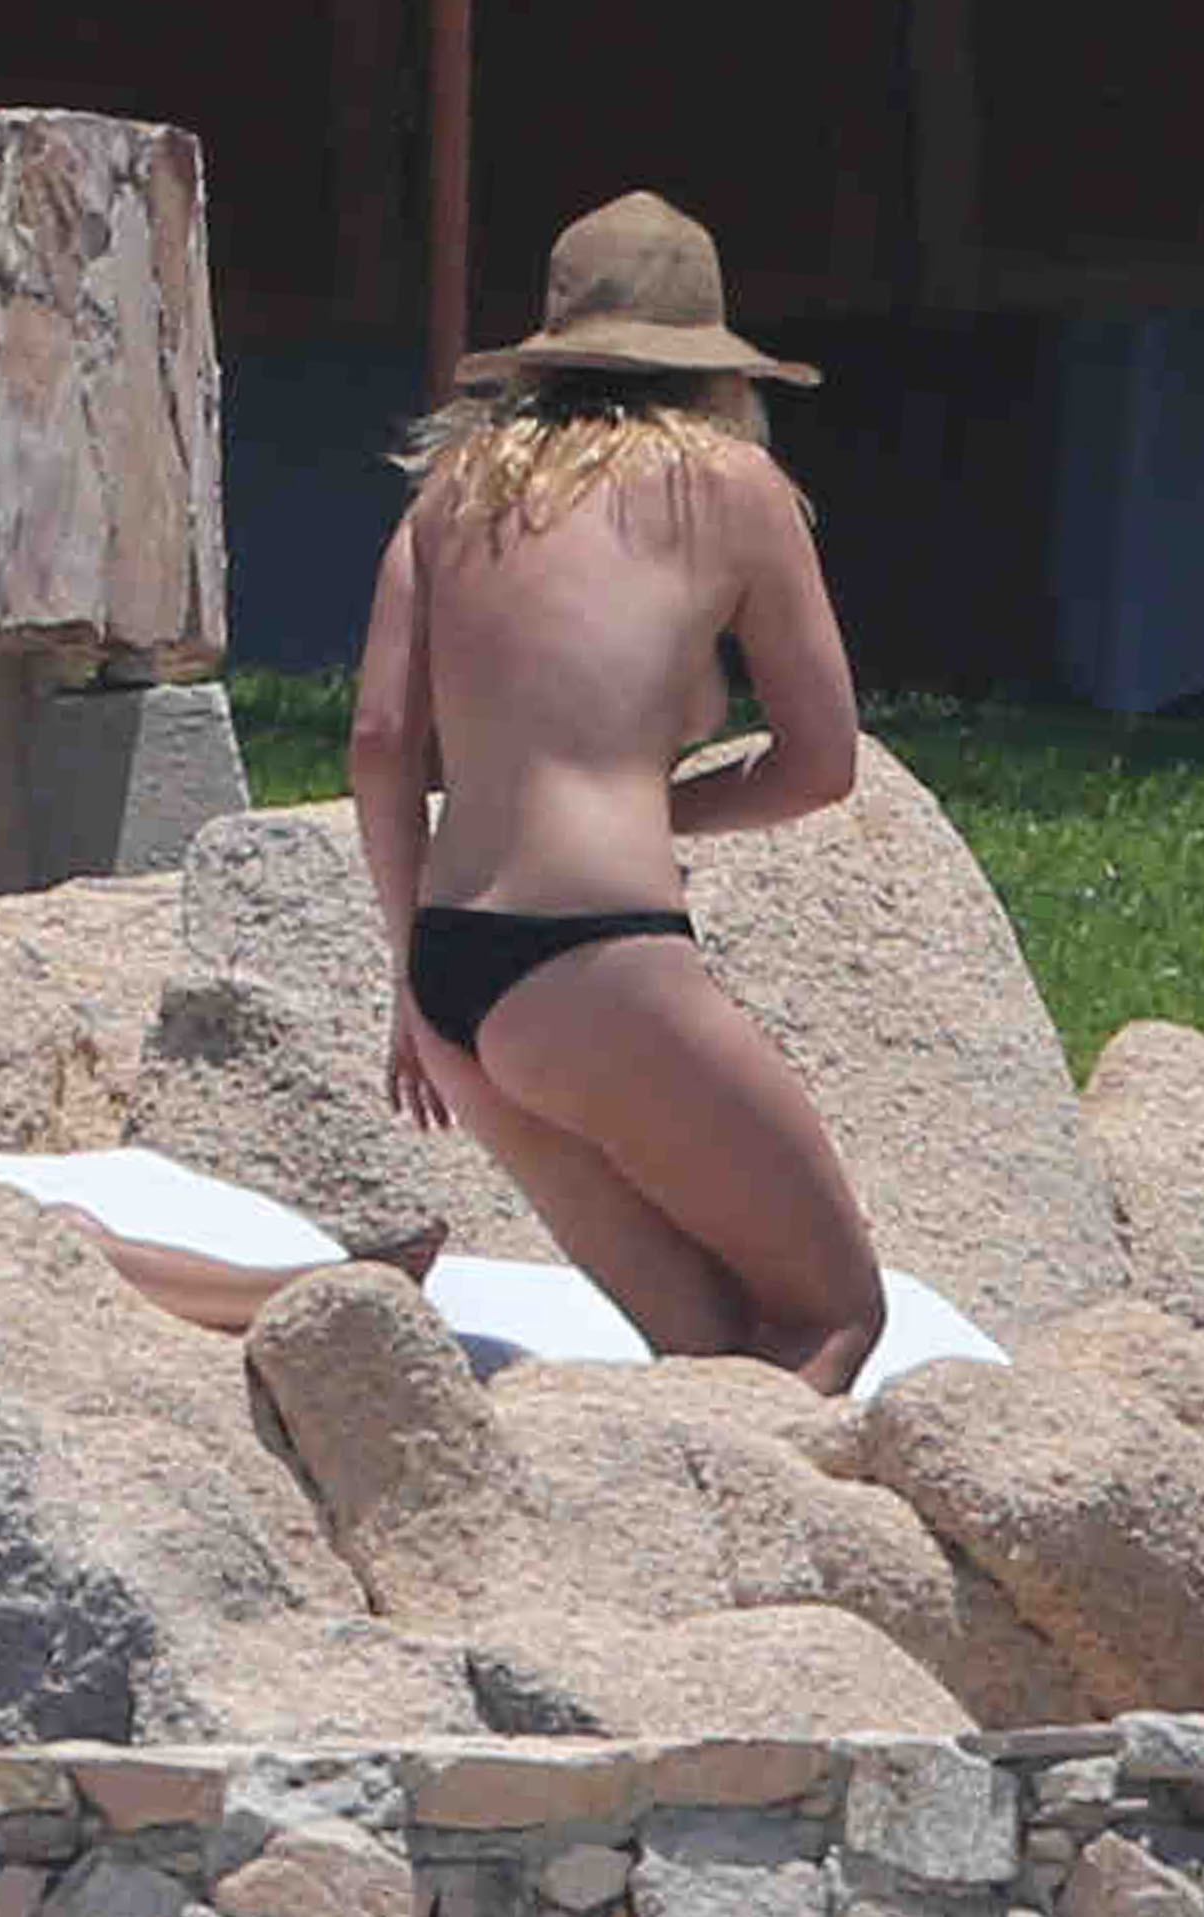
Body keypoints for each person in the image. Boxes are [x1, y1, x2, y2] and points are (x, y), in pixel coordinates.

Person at [348, 189, 884, 1393]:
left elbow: (380, 742)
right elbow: (822, 762)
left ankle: (668, 1505)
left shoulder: (453, 490)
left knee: (703, 1343)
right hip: (600, 958)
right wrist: (666, 809)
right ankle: (743, 1513)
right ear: (712, 364)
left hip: (454, 974)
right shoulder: (731, 484)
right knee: (833, 1314)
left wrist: (408, 987)